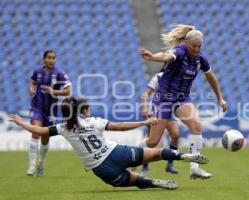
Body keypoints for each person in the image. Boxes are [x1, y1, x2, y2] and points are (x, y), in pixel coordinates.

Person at [9, 97, 208, 190]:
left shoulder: (63, 128)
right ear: (82, 111)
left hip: (101, 170)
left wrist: (21, 123)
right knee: (156, 153)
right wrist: (144, 122)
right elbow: (121, 127)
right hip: (116, 152)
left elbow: (39, 130)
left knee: (135, 180)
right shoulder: (93, 121)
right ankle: (182, 156)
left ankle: (154, 183)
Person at [139, 24, 228, 179]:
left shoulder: (201, 59)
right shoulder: (179, 52)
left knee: (196, 125)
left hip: (182, 99)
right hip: (164, 99)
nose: (197, 49)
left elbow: (211, 77)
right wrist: (153, 57)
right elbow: (166, 55)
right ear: (186, 44)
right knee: (153, 142)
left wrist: (220, 97)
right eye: (194, 46)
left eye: (199, 46)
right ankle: (131, 153)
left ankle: (194, 168)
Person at [28, 50, 71, 176]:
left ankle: (40, 164)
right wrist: (31, 89)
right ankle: (31, 167)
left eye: (53, 58)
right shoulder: (37, 72)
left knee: (45, 138)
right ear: (44, 59)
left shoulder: (60, 74)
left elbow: (67, 91)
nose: (51, 60)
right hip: (37, 107)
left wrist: (53, 91)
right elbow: (33, 82)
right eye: (49, 58)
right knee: (36, 131)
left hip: (51, 110)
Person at [141, 68, 180, 175]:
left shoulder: (178, 78)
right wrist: (145, 108)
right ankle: (144, 167)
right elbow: (146, 94)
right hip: (157, 111)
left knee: (175, 135)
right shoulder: (159, 77)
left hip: (170, 111)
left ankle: (170, 165)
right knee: (152, 142)